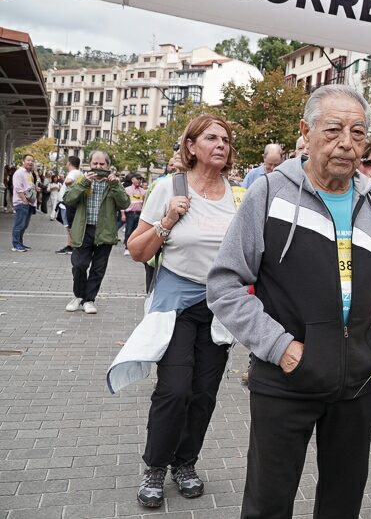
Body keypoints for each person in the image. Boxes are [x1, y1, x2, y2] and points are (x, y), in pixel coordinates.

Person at [206, 84, 371, 519]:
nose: (347, 144)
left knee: (343, 500)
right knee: (267, 502)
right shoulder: (269, 193)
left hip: (358, 380)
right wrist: (281, 348)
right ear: (307, 131)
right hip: (286, 379)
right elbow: (224, 284)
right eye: (334, 129)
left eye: (358, 133)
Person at [120, 115, 239, 508]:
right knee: (173, 390)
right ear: (190, 146)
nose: (220, 144)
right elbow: (137, 250)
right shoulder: (168, 188)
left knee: (203, 394)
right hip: (176, 303)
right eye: (211, 137)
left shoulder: (238, 197)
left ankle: (185, 464)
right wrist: (169, 219)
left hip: (219, 305)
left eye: (225, 139)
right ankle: (155, 466)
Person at [63, 152, 129, 313]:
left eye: (102, 164)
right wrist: (84, 183)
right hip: (84, 230)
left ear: (108, 166)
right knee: (79, 265)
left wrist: (115, 185)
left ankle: (89, 300)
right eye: (95, 164)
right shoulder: (82, 180)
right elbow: (68, 199)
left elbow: (125, 203)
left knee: (98, 268)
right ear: (89, 164)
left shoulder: (113, 183)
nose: (98, 167)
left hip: (104, 232)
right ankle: (78, 296)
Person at [11, 154, 38, 252]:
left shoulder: (30, 173)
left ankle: (20, 242)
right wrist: (23, 199)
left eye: (32, 160)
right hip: (22, 202)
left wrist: (35, 189)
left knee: (24, 224)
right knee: (19, 224)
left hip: (30, 202)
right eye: (28, 160)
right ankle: (16, 244)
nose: (30, 162)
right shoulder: (19, 173)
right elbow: (18, 187)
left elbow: (28, 186)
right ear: (23, 161)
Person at [55, 157, 82, 254]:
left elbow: (69, 181)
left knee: (68, 225)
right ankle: (71, 245)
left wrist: (66, 183)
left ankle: (71, 245)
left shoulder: (72, 172)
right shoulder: (79, 172)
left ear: (69, 163)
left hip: (66, 203)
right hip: (71, 202)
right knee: (69, 225)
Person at [121, 173, 147, 256]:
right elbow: (122, 203)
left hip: (139, 214)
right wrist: (123, 214)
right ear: (132, 180)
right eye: (137, 179)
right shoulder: (127, 190)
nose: (139, 181)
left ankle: (135, 248)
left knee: (137, 232)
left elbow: (144, 203)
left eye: (140, 179)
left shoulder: (143, 191)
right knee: (128, 231)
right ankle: (127, 247)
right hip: (130, 214)